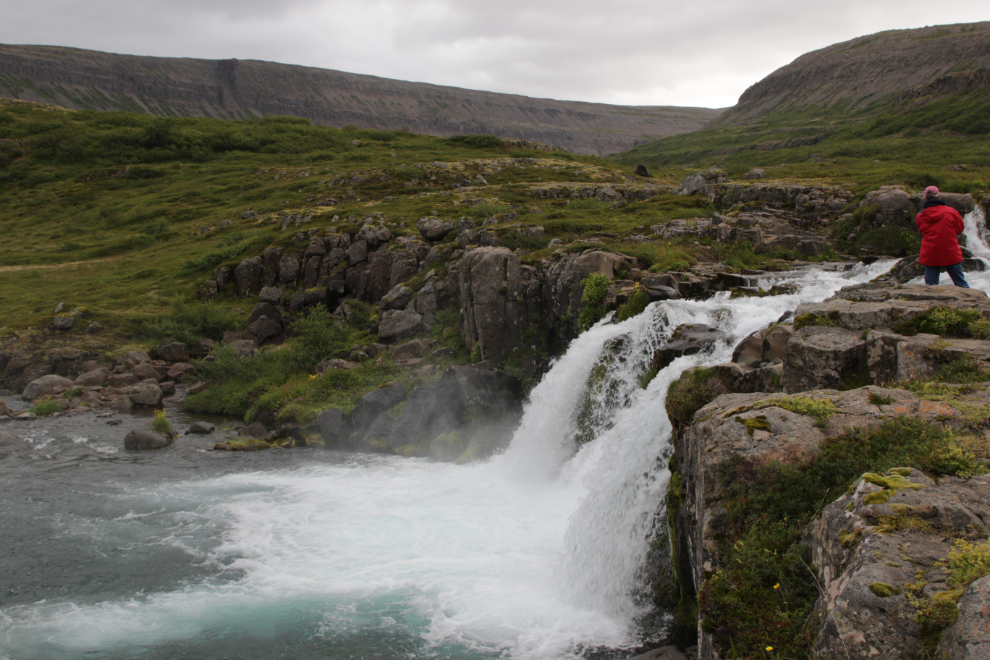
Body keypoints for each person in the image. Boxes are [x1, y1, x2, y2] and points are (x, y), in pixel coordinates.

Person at [916, 185, 970, 288]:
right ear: (939, 196)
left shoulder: (920, 216)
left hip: (930, 253)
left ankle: (932, 303)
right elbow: (959, 229)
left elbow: (921, 231)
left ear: (925, 198)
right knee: (961, 283)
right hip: (950, 252)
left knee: (931, 287)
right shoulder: (951, 212)